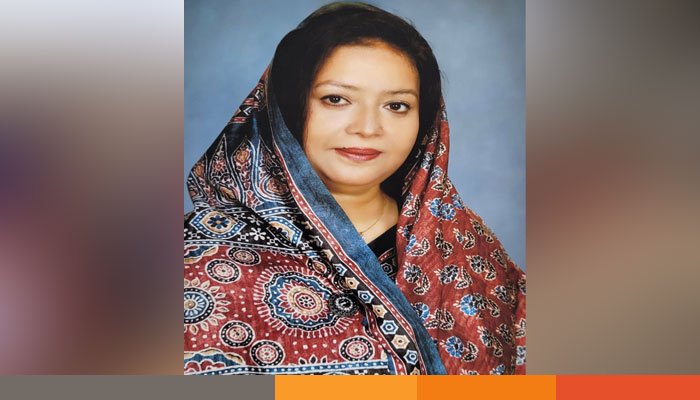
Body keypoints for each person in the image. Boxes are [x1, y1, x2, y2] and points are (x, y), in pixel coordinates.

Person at [184, 2, 525, 375]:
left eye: (396, 105)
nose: (367, 127)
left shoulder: (464, 247)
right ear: (287, 108)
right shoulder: (201, 260)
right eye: (336, 99)